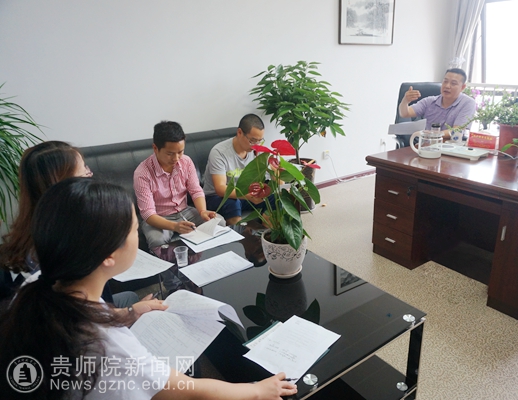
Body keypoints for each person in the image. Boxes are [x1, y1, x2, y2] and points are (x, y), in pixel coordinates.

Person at [0, 178, 297, 399]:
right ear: (108, 255)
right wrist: (257, 390)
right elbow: (186, 390)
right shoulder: (106, 344)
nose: (136, 236)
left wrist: (127, 313)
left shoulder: (37, 285)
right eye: (133, 230)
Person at [0, 141, 140, 310]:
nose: (91, 175)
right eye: (84, 173)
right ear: (66, 188)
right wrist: (129, 312)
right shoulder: (66, 251)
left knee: (131, 297)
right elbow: (86, 315)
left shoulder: (36, 230)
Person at [133, 121, 222, 291]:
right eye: (170, 153)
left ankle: (200, 271)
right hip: (159, 217)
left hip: (185, 211)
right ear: (155, 148)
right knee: (157, 240)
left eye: (180, 152)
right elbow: (148, 214)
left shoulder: (186, 162)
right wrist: (175, 226)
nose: (176, 158)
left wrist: (203, 211)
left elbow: (195, 190)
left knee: (219, 222)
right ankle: (173, 285)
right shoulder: (142, 173)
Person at [204, 114, 275, 226]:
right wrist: (248, 196)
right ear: (240, 132)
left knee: (273, 198)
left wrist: (276, 173)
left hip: (247, 194)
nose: (256, 145)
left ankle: (267, 233)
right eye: (252, 140)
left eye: (259, 141)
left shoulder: (258, 151)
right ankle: (240, 235)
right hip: (218, 197)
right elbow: (220, 188)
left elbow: (269, 178)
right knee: (233, 203)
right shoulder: (219, 152)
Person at [398, 68, 476, 139]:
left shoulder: (468, 103)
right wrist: (405, 101)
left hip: (451, 146)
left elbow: (457, 130)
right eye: (445, 81)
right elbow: (404, 113)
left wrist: (434, 134)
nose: (447, 86)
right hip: (427, 145)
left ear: (462, 87)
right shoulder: (429, 101)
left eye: (453, 83)